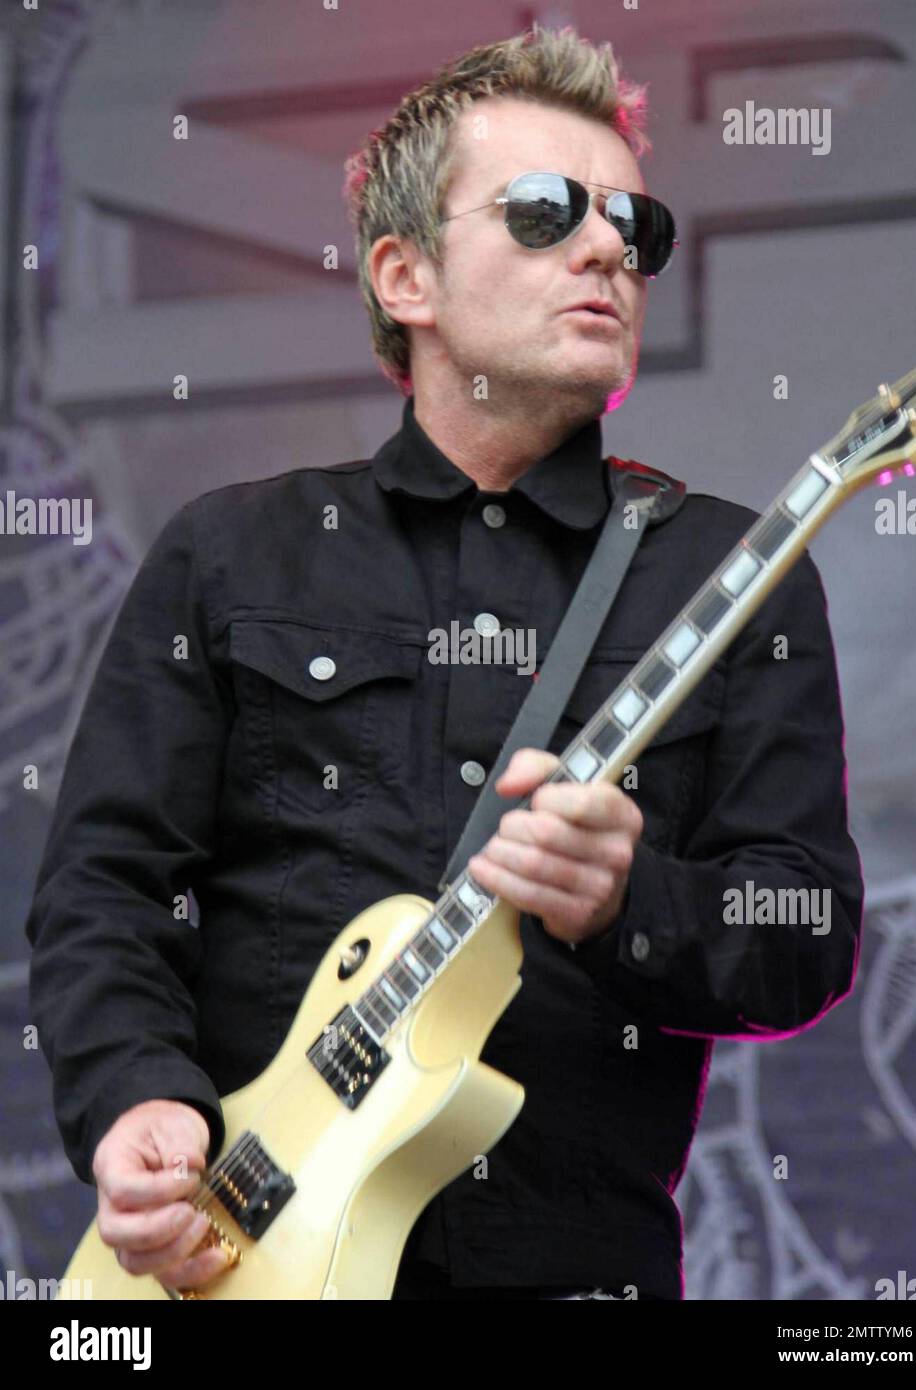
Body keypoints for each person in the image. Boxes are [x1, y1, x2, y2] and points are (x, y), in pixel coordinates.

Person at [25, 26, 863, 1301]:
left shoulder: (733, 576)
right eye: (543, 212)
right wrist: (135, 1096)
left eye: (633, 225)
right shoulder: (232, 554)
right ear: (404, 275)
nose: (604, 250)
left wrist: (627, 898)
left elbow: (802, 935)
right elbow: (106, 886)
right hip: (230, 1258)